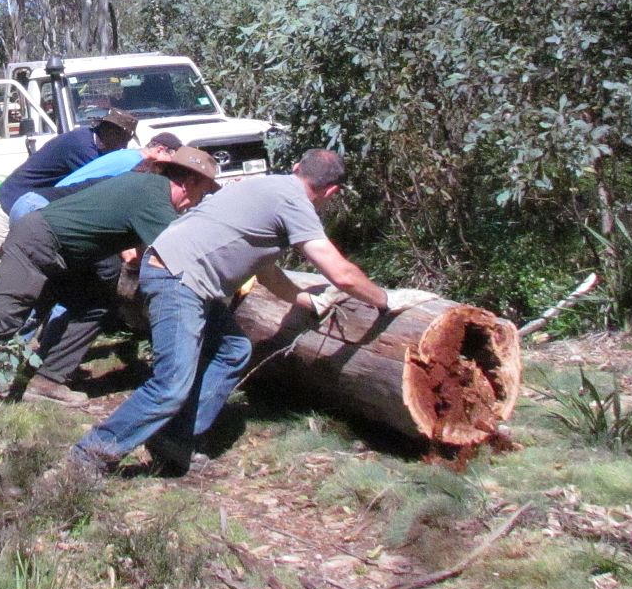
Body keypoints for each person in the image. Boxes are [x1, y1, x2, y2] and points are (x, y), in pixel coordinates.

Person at [68, 148, 428, 475]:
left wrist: (306, 300)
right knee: (171, 383)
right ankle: (89, 456)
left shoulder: (263, 189)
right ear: (330, 192)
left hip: (178, 272)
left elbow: (265, 269)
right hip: (179, 280)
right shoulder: (294, 203)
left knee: (232, 350)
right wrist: (385, 301)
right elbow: (342, 274)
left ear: (297, 167)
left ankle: (175, 438)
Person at [0, 147, 221, 428]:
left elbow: (148, 252)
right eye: (202, 194)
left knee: (97, 303)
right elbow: (178, 252)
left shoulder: (149, 190)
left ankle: (49, 378)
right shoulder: (154, 196)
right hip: (37, 245)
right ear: (188, 181)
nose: (197, 202)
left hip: (58, 251)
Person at [0, 110, 138, 305]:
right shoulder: (84, 149)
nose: (124, 148)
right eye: (124, 141)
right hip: (12, 204)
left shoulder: (89, 141)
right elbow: (99, 193)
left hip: (30, 206)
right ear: (112, 133)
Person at [7, 132, 183, 222]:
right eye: (173, 158)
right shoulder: (134, 164)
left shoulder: (128, 155)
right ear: (160, 150)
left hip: (41, 204)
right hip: (45, 210)